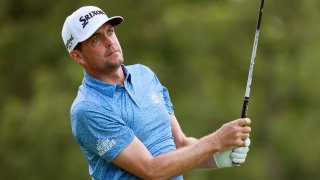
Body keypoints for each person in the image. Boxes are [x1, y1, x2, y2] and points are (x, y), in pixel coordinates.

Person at [62, 6, 252, 180]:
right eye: (96, 39)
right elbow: (151, 169)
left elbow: (179, 145)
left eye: (110, 32)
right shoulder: (88, 109)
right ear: (77, 55)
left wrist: (220, 156)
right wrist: (216, 141)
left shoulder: (144, 75)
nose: (109, 42)